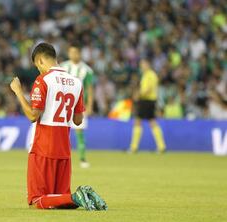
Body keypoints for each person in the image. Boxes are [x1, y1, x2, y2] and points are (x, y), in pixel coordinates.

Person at [10, 42, 107, 210]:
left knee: (38, 200)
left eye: (37, 66)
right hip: (64, 150)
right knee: (59, 199)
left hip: (43, 148)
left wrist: (18, 92)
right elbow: (78, 120)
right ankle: (81, 197)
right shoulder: (76, 82)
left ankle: (78, 196)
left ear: (40, 61)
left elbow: (33, 115)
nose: (38, 70)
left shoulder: (43, 80)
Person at [61, 43, 94, 168]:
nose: (73, 54)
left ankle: (82, 158)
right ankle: (63, 158)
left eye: (75, 52)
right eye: (71, 52)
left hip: (79, 105)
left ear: (79, 54)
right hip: (63, 105)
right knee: (62, 132)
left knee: (79, 132)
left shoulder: (87, 70)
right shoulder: (63, 67)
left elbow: (90, 89)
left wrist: (90, 105)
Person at [129, 59, 166, 153]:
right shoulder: (148, 75)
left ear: (148, 64)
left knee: (138, 121)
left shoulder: (150, 75)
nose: (141, 67)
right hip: (150, 101)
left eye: (143, 65)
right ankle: (161, 146)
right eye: (141, 65)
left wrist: (138, 94)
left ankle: (134, 148)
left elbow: (148, 89)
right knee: (152, 121)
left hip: (146, 100)